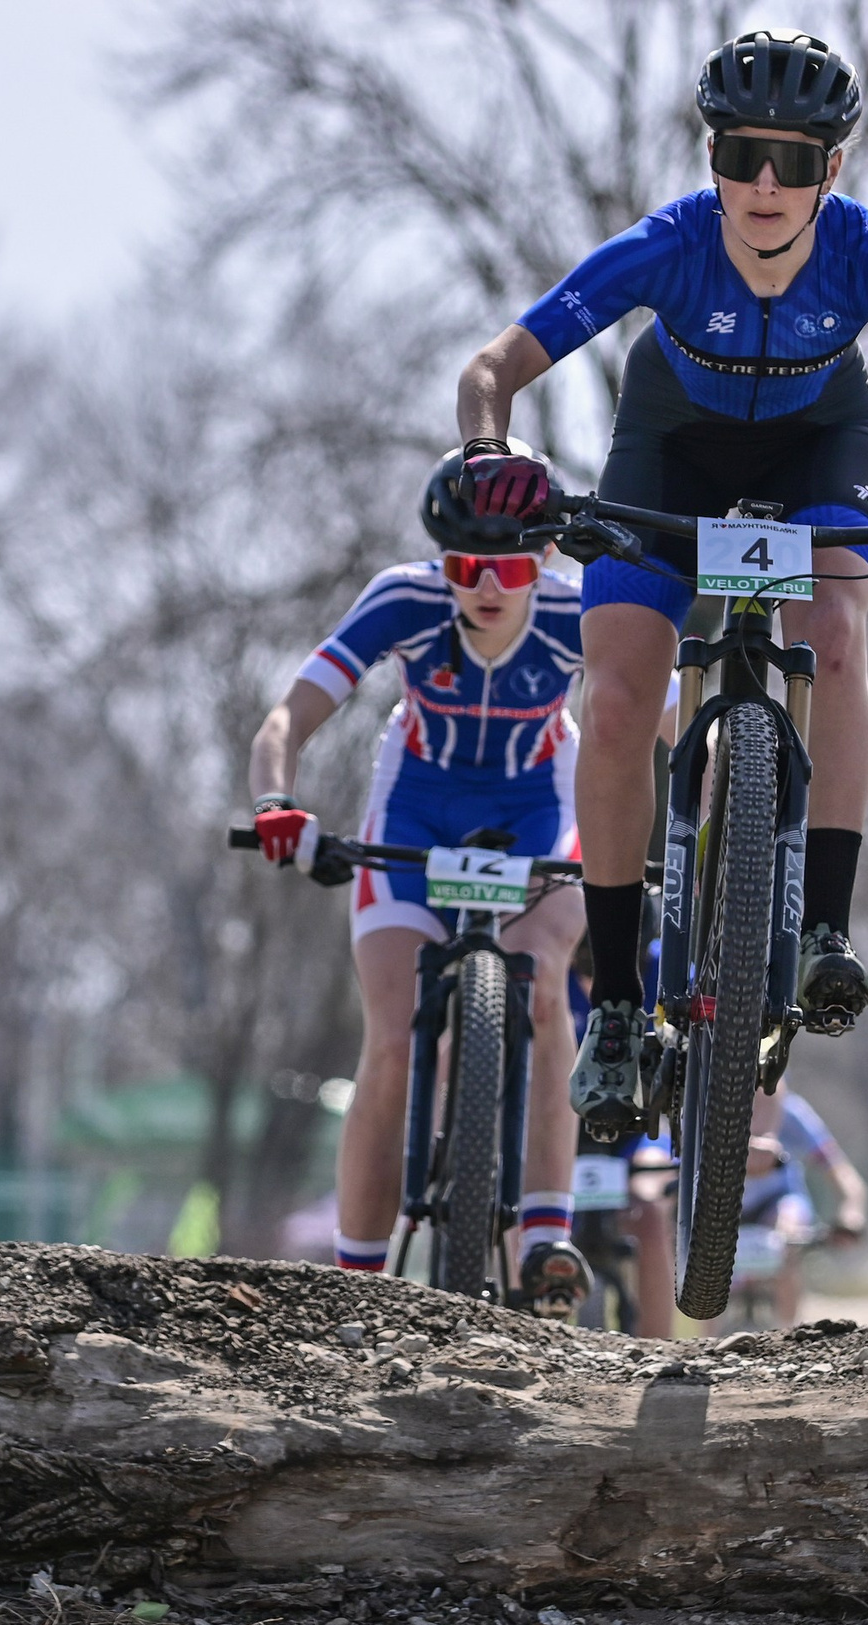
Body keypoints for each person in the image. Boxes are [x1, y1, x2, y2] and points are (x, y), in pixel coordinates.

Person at [452, 29, 868, 1132]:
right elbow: (493, 370)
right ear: (711, 155)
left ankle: (822, 928)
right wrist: (492, 456)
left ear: (835, 166)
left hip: (819, 443)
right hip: (669, 447)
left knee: (839, 632)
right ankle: (621, 1006)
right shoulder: (666, 246)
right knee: (622, 697)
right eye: (739, 155)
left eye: (793, 158)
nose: (763, 185)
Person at [246, 453, 591, 1314]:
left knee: (545, 989)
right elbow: (288, 715)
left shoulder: (578, 610)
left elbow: (662, 712)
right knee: (394, 1039)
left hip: (538, 811)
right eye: (461, 565)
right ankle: (355, 1283)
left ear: (542, 560)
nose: (481, 584)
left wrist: (712, 823)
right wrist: (277, 803)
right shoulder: (404, 597)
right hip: (415, 812)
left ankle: (546, 1233)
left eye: (506, 565)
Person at [720, 1080, 868, 1331]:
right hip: (723, 1207)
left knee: (787, 1234)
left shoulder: (792, 1113)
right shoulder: (706, 1109)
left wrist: (851, 1214)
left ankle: (786, 1333)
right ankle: (707, 1346)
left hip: (778, 1202)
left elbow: (841, 1171)